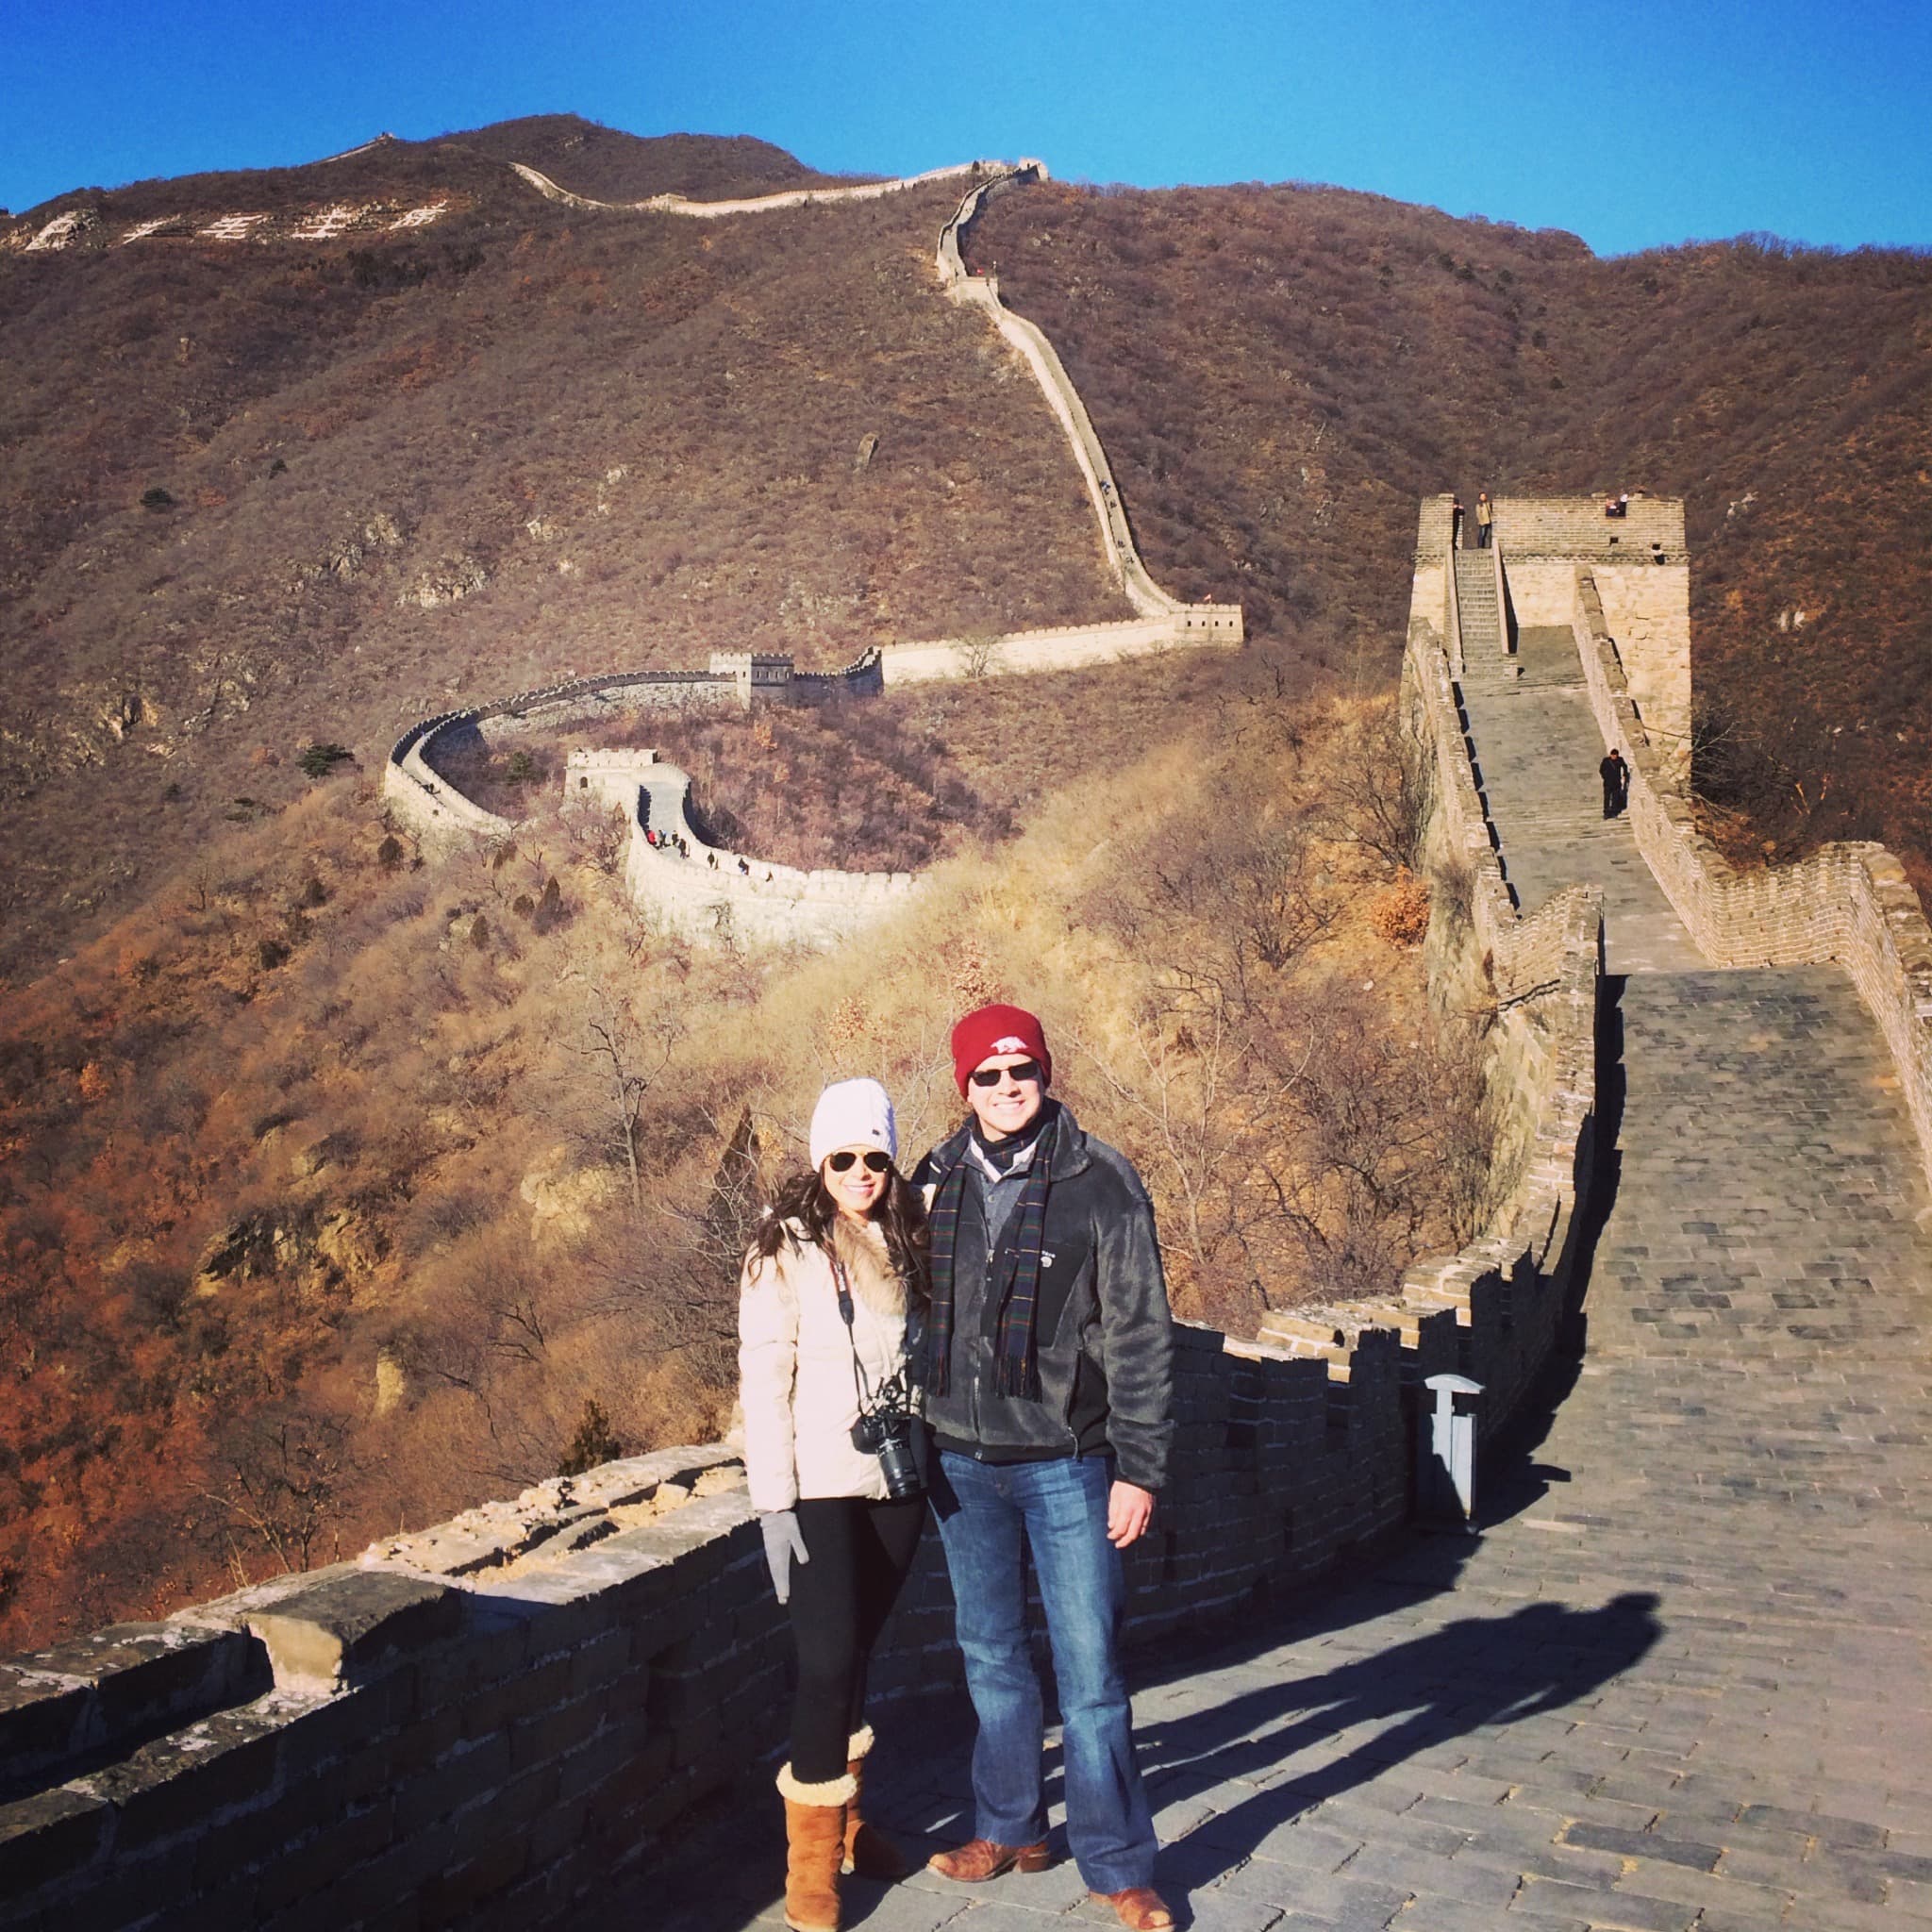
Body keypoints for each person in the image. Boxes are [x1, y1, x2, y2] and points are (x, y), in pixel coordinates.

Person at [914, 1005, 1176, 1932]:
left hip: (1068, 1461)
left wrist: (1137, 1468)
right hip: (959, 1461)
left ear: (1043, 1070)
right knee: (989, 1658)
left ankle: (1116, 1865)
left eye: (1018, 1067)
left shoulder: (1099, 1180)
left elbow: (1141, 1331)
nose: (1004, 1085)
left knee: (1091, 1671)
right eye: (984, 1074)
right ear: (963, 1086)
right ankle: (1009, 1825)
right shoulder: (935, 1177)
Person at [740, 1079, 930, 1932]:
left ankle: (850, 1828)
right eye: (844, 1157)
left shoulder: (909, 1235)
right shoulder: (781, 1250)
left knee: (857, 1653)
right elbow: (763, 1377)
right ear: (820, 1161)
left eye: (876, 1157)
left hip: (896, 1484)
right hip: (817, 1485)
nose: (861, 1171)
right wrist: (773, 1504)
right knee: (823, 1664)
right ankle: (809, 1870)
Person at [1600, 747, 1629, 819]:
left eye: (1615, 755)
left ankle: (1614, 812)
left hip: (1616, 782)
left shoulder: (1619, 760)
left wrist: (1625, 774)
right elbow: (1601, 770)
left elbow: (1625, 766)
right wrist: (1605, 776)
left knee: (1615, 798)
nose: (1614, 757)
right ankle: (1606, 812)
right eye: (1613, 755)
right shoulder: (1606, 761)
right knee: (1607, 798)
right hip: (1608, 783)